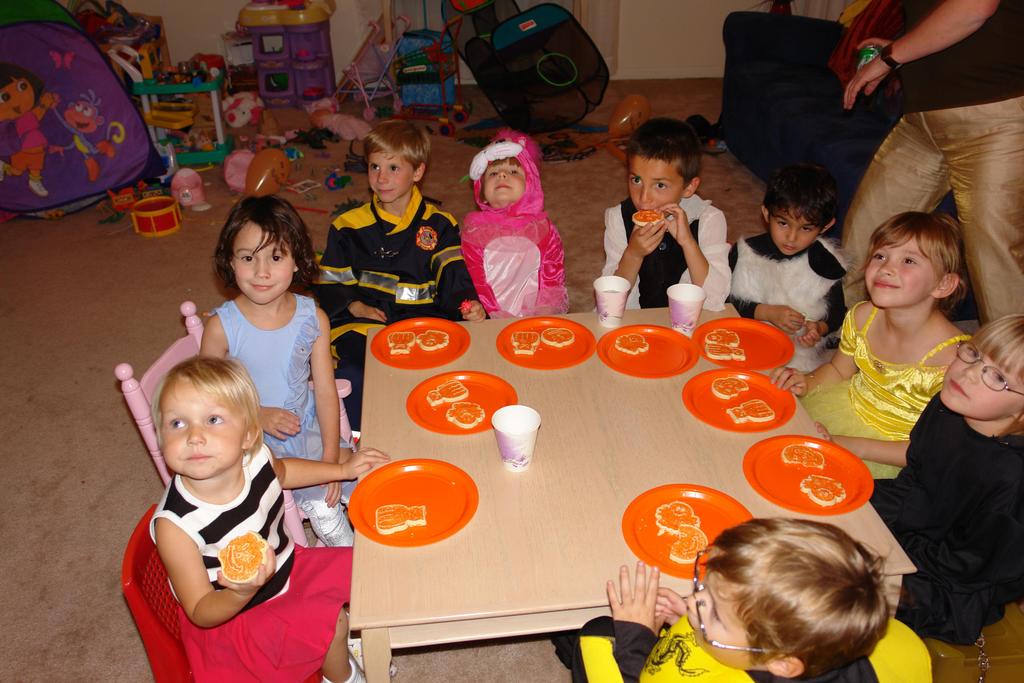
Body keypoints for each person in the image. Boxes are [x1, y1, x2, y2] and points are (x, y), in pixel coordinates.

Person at [150, 356, 390, 682]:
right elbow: (200, 610)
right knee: (332, 624)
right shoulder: (176, 526)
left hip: (287, 565)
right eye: (177, 423)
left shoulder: (256, 459)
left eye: (212, 420)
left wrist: (342, 470)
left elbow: (285, 472)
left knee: (372, 570)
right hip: (239, 614)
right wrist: (239, 593)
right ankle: (343, 677)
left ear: (249, 435)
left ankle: (344, 641)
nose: (194, 436)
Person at [841, 0, 1024, 324]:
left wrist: (891, 56)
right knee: (868, 234)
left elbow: (974, 8)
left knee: (995, 266)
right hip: (921, 120)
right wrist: (900, 46)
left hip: (993, 118)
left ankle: (1010, 356)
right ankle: (857, 337)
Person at [572, 518, 931, 682]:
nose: (694, 603)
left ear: (783, 664)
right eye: (704, 587)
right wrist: (694, 621)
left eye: (715, 614)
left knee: (596, 632)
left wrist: (637, 635)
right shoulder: (840, 639)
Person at [203, 195, 357, 547]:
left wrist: (331, 461)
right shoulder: (221, 327)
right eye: (248, 258)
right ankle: (347, 563)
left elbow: (325, 392)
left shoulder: (313, 317)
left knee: (363, 475)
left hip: (310, 426)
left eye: (275, 257)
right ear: (230, 260)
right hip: (254, 444)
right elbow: (206, 403)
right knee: (324, 505)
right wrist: (255, 414)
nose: (261, 272)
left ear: (297, 260)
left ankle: (369, 546)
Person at [771, 211, 969, 479]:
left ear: (943, 284)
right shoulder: (864, 316)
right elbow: (839, 370)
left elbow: (932, 450)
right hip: (846, 408)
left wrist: (850, 445)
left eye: (908, 260)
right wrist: (807, 382)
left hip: (894, 453)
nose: (886, 268)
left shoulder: (954, 360)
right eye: (880, 256)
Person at [315, 120, 485, 429]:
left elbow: (453, 273)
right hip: (364, 321)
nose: (381, 178)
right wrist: (354, 305)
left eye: (394, 168)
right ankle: (358, 436)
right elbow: (330, 283)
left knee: (449, 368)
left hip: (424, 318)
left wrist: (467, 304)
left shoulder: (440, 224)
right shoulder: (347, 226)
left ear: (417, 172)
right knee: (357, 372)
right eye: (374, 167)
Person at [870, 314, 1024, 645]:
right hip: (912, 533)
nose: (968, 373)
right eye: (974, 354)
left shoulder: (1011, 476)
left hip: (950, 589)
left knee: (835, 589)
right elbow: (913, 481)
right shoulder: (947, 407)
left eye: (998, 376)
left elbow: (967, 566)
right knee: (822, 510)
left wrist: (885, 553)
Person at [601, 117, 731, 311]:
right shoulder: (619, 218)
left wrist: (688, 243)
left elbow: (715, 299)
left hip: (689, 319)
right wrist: (633, 255)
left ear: (689, 187)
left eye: (660, 185)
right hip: (637, 320)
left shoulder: (708, 220)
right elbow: (609, 305)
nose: (644, 198)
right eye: (636, 180)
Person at [728, 164, 846, 372]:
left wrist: (818, 328)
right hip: (746, 344)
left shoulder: (826, 262)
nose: (791, 237)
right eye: (783, 223)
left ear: (825, 226)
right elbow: (729, 301)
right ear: (766, 214)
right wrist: (767, 312)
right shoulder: (746, 253)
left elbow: (836, 313)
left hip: (797, 356)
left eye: (806, 228)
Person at [461, 128, 569, 318]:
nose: (502, 175)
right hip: (491, 317)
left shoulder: (543, 229)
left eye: (513, 171)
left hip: (536, 316)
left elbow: (552, 276)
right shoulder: (475, 232)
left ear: (530, 184)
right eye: (493, 173)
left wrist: (544, 312)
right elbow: (474, 280)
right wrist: (492, 313)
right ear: (482, 192)